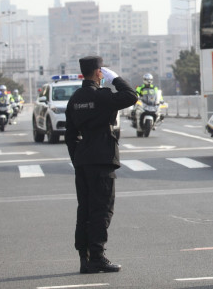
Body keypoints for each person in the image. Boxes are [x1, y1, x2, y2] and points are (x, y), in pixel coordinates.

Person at [65, 56, 138, 274]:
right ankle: (97, 257)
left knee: (85, 209)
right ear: (99, 73)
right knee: (102, 210)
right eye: (102, 71)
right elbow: (131, 96)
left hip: (83, 160)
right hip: (102, 159)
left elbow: (70, 135)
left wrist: (77, 159)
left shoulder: (75, 99)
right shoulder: (103, 96)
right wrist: (116, 79)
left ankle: (84, 258)